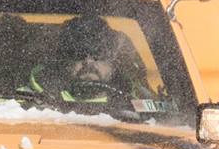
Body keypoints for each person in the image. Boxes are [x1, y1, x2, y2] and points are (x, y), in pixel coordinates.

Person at [16, 15, 153, 108]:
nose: (88, 62)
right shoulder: (24, 101)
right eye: (78, 54)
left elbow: (170, 120)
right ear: (64, 60)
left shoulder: (140, 105)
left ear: (113, 61)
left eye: (98, 54)